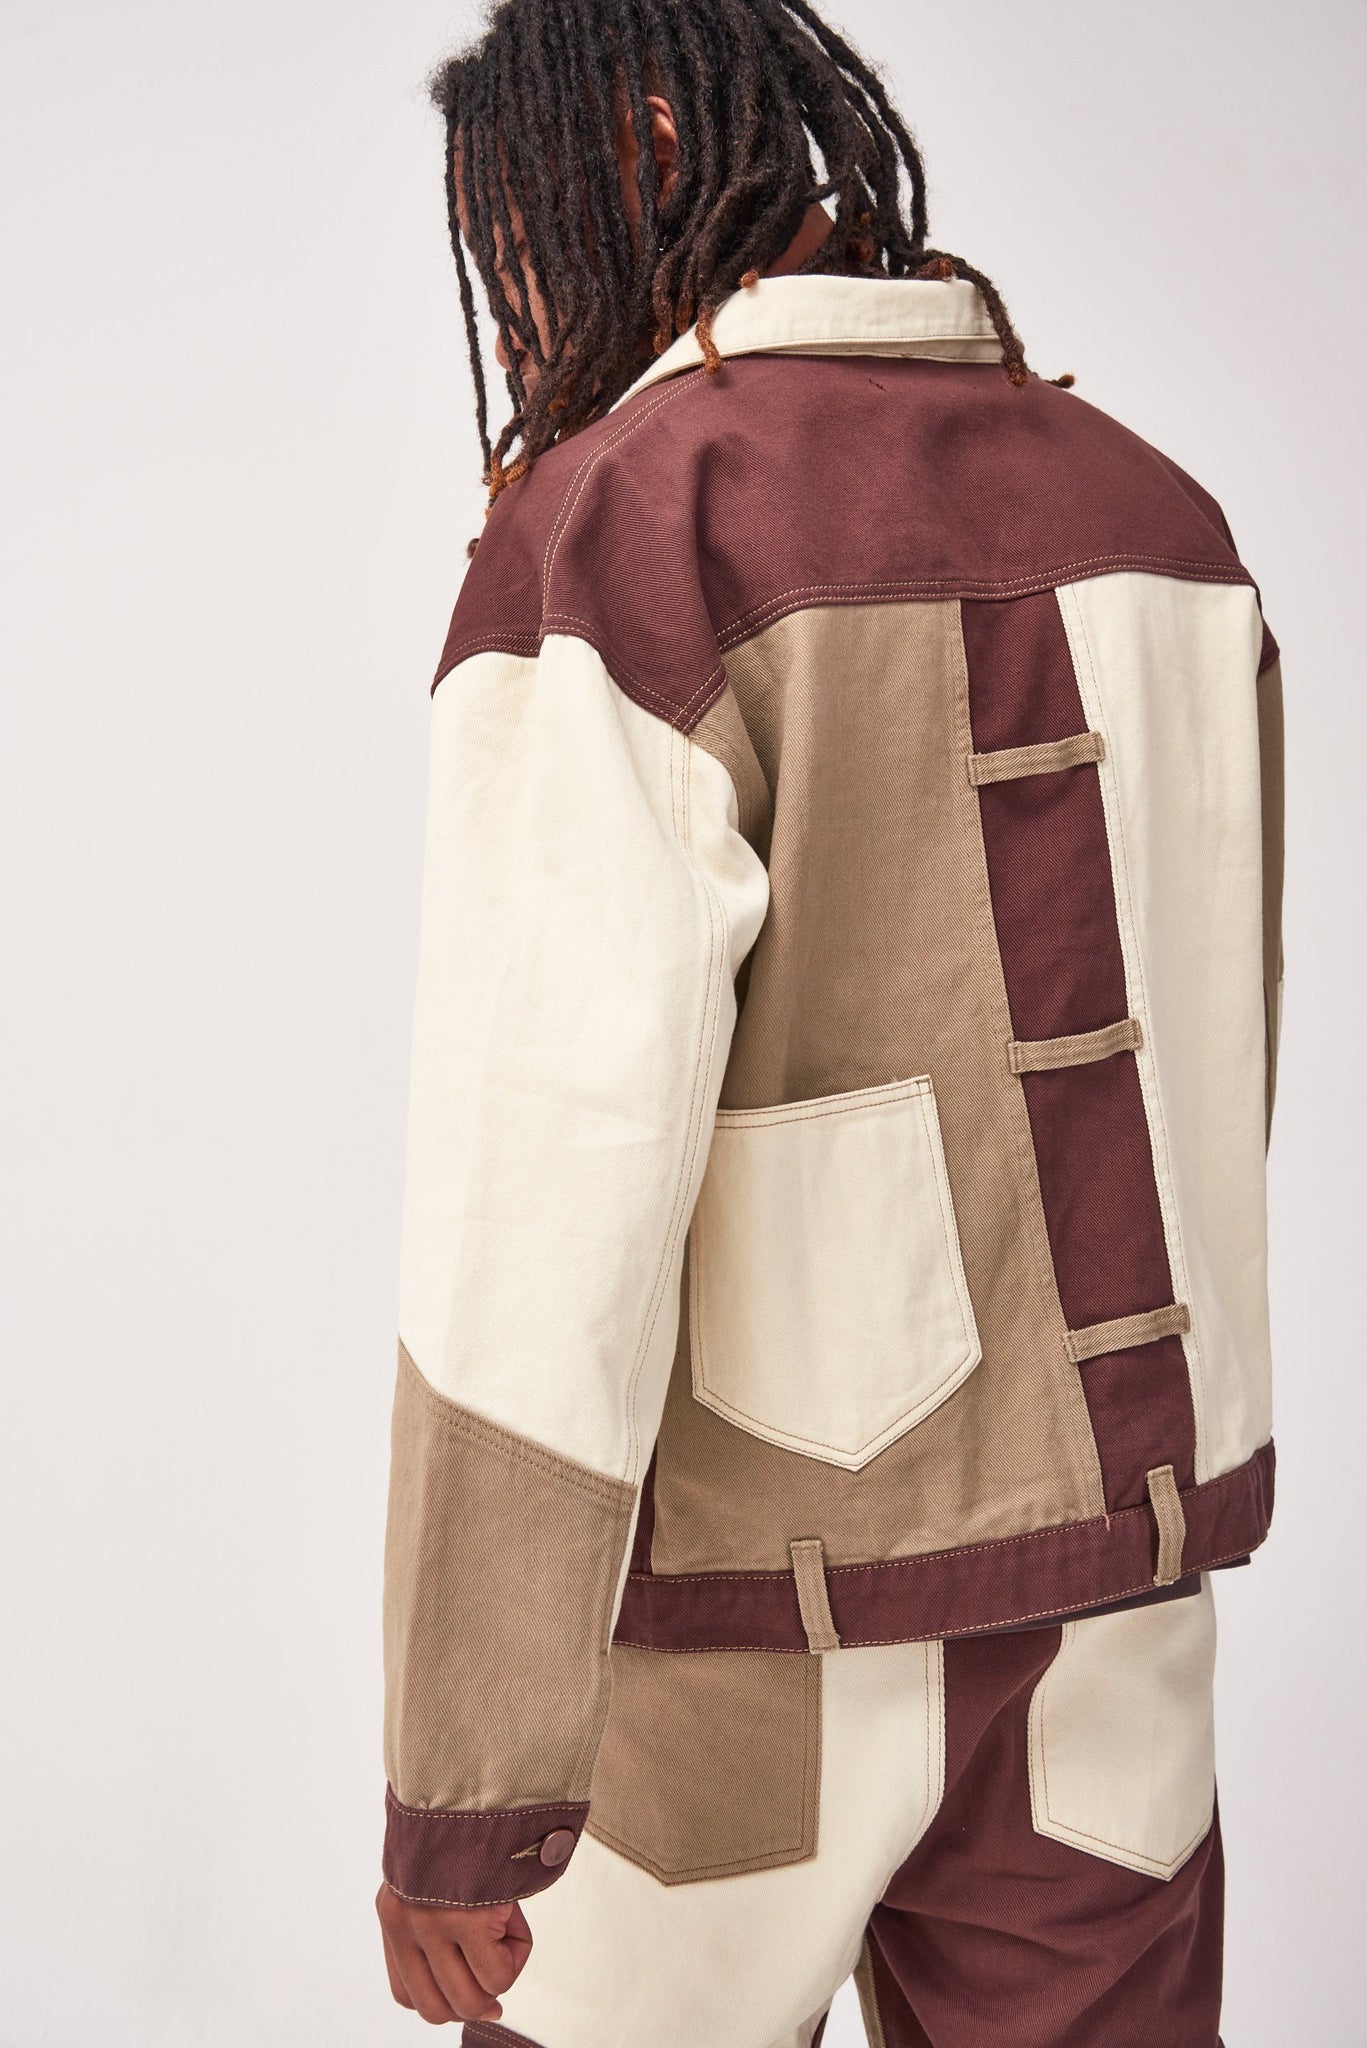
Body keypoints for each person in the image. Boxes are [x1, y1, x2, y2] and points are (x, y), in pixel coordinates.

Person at [373, 2, 1284, 2042]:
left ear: (655, 140)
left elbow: (542, 1190)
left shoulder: (629, 525)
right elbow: (1224, 1061)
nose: (524, 312)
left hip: (727, 1659)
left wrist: (467, 1774)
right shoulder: (1167, 517)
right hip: (1112, 1615)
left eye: (518, 243)